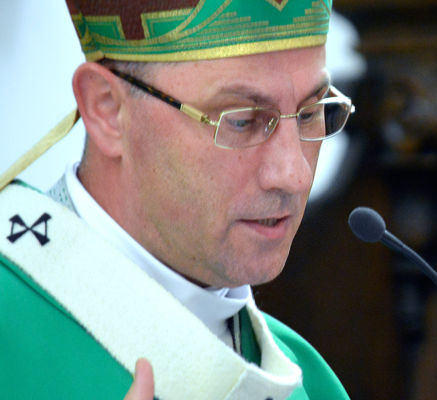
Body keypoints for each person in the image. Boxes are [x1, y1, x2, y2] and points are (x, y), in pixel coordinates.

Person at [0, 1, 354, 399]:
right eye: (241, 120)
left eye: (309, 113)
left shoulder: (310, 382)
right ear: (107, 109)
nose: (294, 174)